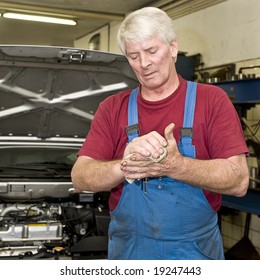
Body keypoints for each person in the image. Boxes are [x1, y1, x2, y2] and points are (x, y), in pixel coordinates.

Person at [71, 7, 249, 260]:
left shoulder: (212, 101)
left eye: (152, 51)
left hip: (194, 252)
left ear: (173, 47)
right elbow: (80, 177)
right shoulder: (112, 108)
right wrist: (124, 166)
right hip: (130, 253)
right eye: (133, 56)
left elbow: (239, 181)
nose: (144, 64)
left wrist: (177, 167)